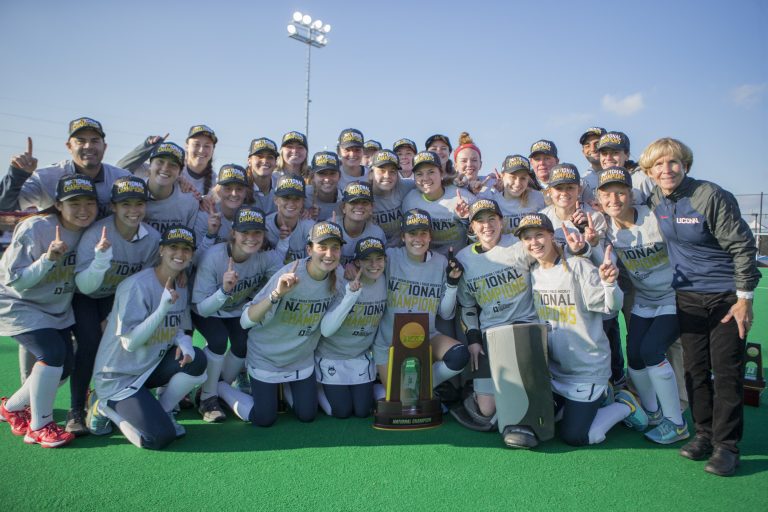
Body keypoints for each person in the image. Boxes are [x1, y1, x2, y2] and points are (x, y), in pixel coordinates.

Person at [641, 137, 761, 476]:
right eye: (659, 165)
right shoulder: (655, 198)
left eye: (673, 162)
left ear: (685, 165)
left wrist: (744, 300)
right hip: (688, 298)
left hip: (725, 297)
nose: (666, 170)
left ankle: (727, 446)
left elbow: (743, 247)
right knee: (695, 370)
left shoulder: (710, 195)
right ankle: (704, 435)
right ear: (650, 171)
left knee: (726, 372)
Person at [516, 213, 648, 446]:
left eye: (539, 235)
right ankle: (601, 397)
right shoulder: (534, 273)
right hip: (556, 372)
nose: (534, 243)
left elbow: (610, 306)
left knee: (577, 436)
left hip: (587, 369)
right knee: (544, 423)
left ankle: (623, 405)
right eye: (527, 238)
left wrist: (609, 283)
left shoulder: (578, 266)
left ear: (552, 236)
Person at [0, 174, 99, 448]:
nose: (83, 210)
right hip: (17, 303)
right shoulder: (36, 228)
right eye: (74, 203)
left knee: (65, 365)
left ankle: (11, 408)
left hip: (55, 307)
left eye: (89, 203)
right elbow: (14, 280)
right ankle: (40, 426)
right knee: (52, 355)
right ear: (58, 205)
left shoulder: (91, 232)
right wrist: (48, 260)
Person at [88, 225, 207, 449]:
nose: (180, 254)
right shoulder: (136, 286)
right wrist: (161, 309)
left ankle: (162, 413)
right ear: (161, 250)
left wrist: (185, 343)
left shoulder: (180, 285)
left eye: (186, 249)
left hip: (148, 367)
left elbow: (176, 326)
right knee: (158, 438)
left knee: (197, 360)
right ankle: (103, 406)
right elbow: (130, 343)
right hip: (118, 377)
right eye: (173, 247)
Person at [219, 221, 346, 427]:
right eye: (322, 247)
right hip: (267, 356)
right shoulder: (291, 274)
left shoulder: (338, 274)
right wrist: (277, 294)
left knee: (307, 415)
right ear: (309, 249)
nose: (329, 254)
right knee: (265, 418)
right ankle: (221, 388)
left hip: (300, 359)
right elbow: (245, 321)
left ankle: (287, 385)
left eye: (335, 247)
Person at [597, 166, 689, 444]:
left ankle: (677, 423)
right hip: (645, 300)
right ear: (599, 199)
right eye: (607, 195)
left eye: (620, 193)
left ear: (631, 194)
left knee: (652, 351)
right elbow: (605, 258)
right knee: (634, 357)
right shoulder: (605, 227)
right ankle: (653, 412)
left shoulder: (655, 217)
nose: (614, 200)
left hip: (674, 297)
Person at [66, 176, 161, 435]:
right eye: (125, 204)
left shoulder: (152, 238)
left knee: (125, 343)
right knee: (89, 344)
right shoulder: (97, 233)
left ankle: (105, 398)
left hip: (116, 298)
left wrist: (113, 314)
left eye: (139, 204)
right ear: (114, 207)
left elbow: (140, 282)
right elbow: (85, 285)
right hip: (87, 294)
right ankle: (76, 408)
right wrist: (100, 260)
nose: (133, 210)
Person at [454, 199, 539, 443]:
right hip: (491, 335)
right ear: (472, 226)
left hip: (525, 329)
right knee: (487, 410)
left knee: (524, 396)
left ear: (502, 221)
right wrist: (473, 340)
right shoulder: (464, 258)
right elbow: (468, 305)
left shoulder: (520, 246)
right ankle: (479, 396)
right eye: (480, 220)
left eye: (492, 219)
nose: (487, 225)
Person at [191, 207, 286, 422]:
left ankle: (217, 387)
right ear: (233, 232)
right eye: (245, 233)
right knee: (217, 340)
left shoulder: (266, 256)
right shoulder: (213, 257)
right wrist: (224, 291)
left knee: (243, 343)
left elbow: (279, 278)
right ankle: (207, 399)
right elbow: (203, 308)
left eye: (257, 233)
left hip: (235, 309)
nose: (251, 239)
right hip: (206, 308)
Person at [373, 209, 469, 395]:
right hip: (388, 342)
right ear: (403, 236)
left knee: (458, 356)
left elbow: (446, 314)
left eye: (423, 233)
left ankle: (420, 387)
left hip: (426, 337)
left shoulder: (441, 262)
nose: (418, 238)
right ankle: (382, 385)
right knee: (394, 398)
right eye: (412, 233)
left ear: (430, 237)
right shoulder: (390, 257)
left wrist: (452, 283)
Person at [0, 117, 130, 219]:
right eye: (80, 141)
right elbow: (5, 207)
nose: (88, 146)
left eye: (95, 140)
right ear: (69, 146)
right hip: (58, 249)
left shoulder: (122, 179)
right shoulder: (46, 177)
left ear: (105, 147)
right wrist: (17, 175)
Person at [316, 237, 388, 418]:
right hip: (331, 355)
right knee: (342, 412)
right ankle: (315, 387)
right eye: (367, 260)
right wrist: (351, 296)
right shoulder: (342, 281)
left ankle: (379, 388)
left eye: (379, 259)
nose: (374, 265)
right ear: (356, 262)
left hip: (359, 356)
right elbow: (326, 330)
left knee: (363, 411)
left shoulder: (386, 280)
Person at [402, 151, 475, 257]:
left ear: (441, 173)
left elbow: (479, 235)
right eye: (419, 174)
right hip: (428, 263)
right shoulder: (409, 201)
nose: (425, 178)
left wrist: (465, 219)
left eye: (431, 172)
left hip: (461, 260)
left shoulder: (463, 197)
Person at [117, 124, 219, 197]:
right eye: (196, 144)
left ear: (213, 149)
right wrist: (147, 147)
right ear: (187, 146)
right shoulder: (167, 168)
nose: (201, 150)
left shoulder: (215, 181)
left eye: (207, 146)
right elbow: (121, 169)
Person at [142, 142, 201, 233]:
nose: (165, 168)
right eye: (160, 162)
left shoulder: (190, 202)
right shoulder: (134, 191)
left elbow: (189, 241)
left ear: (180, 172)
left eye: (173, 165)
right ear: (150, 165)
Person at [480, 154, 545, 236]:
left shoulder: (538, 198)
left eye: (523, 178)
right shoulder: (492, 201)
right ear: (502, 176)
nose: (517, 183)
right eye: (513, 177)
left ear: (528, 179)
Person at [194, 164, 250, 251]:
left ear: (246, 192)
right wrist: (211, 234)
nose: (234, 194)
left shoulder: (250, 216)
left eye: (239, 189)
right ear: (219, 190)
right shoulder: (206, 212)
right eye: (228, 188)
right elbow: (194, 260)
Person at [265, 174, 315, 263]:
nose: (291, 203)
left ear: (303, 202)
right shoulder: (265, 226)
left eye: (297, 199)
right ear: (275, 200)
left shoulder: (310, 227)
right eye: (286, 198)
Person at [369, 149, 415, 247]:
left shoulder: (406, 186)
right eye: (382, 171)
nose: (387, 176)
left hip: (404, 248)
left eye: (392, 172)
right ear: (371, 173)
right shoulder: (364, 194)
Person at [597, 131, 653, 205]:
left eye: (615, 152)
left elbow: (660, 212)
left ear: (627, 155)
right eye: (604, 153)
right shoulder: (600, 180)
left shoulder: (643, 178)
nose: (608, 158)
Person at [338, 181, 385, 265]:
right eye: (353, 202)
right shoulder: (331, 227)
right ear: (343, 207)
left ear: (371, 208)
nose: (359, 206)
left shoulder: (377, 234)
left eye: (365, 202)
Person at [246, 137, 280, 216]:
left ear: (276, 162)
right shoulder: (240, 185)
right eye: (259, 156)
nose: (265, 161)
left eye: (270, 157)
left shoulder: (282, 184)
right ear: (249, 161)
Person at [305, 151, 342, 221]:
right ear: (313, 176)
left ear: (339, 176)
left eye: (332, 173)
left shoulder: (345, 200)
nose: (327, 179)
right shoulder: (302, 195)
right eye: (322, 173)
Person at [577, 127, 607, 208]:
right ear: (583, 151)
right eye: (587, 146)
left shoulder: (627, 173)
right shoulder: (582, 181)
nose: (593, 149)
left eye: (597, 143)